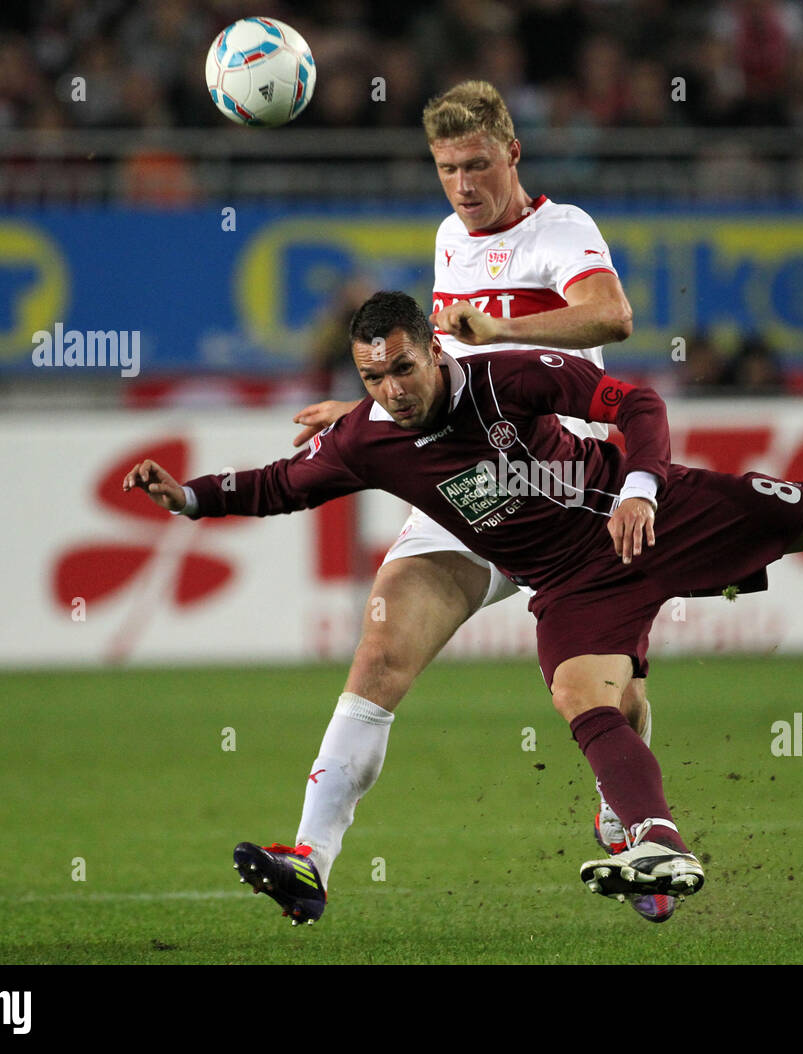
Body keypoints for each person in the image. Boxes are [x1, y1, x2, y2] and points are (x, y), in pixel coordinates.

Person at [123, 291, 803, 925]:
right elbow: (280, 485)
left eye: (402, 370)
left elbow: (640, 402)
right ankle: (658, 841)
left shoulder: (508, 374)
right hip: (574, 584)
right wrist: (192, 498)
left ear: (432, 349)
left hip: (657, 515)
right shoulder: (369, 440)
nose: (389, 392)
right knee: (585, 700)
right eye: (371, 379)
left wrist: (644, 490)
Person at [285, 81, 671, 919]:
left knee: (611, 697)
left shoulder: (560, 231)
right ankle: (310, 858)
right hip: (466, 491)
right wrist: (362, 413)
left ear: (513, 154)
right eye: (447, 168)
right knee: (380, 652)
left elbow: (612, 316)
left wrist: (506, 331)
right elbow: (437, 364)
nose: (463, 185)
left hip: (567, 495)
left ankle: (627, 815)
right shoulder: (448, 240)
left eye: (477, 165)